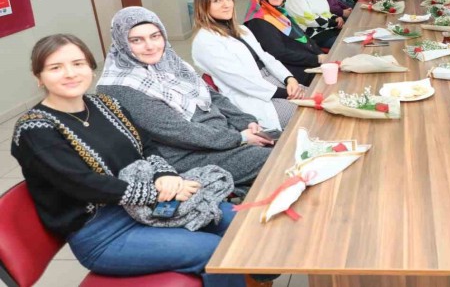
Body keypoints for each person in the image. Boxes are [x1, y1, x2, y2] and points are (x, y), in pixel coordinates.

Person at [12, 34, 270, 287]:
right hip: (104, 233)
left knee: (239, 222)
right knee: (215, 251)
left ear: (90, 67)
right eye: (56, 67)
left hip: (149, 210)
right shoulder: (35, 129)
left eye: (78, 63)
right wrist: (156, 194)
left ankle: (258, 279)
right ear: (39, 77)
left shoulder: (106, 105)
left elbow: (146, 146)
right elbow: (83, 184)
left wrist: (165, 176)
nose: (70, 73)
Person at [97, 7, 274, 196]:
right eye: (136, 40)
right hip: (188, 155)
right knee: (278, 158)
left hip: (221, 136)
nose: (150, 46)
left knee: (282, 141)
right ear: (121, 42)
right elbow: (178, 131)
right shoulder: (120, 86)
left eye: (155, 36)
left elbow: (212, 96)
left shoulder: (169, 62)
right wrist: (240, 138)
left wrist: (245, 122)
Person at [191, 0, 304, 131]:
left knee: (319, 95)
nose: (226, 4)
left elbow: (266, 57)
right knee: (310, 112)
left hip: (274, 82)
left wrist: (289, 79)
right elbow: (240, 81)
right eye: (217, 0)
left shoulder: (242, 30)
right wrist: (285, 93)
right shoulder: (205, 41)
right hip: (256, 97)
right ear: (203, 6)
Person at [245, 0, 327, 85]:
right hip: (293, 73)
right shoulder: (259, 21)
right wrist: (317, 59)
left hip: (307, 61)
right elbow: (279, 53)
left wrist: (320, 55)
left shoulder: (280, 12)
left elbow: (303, 37)